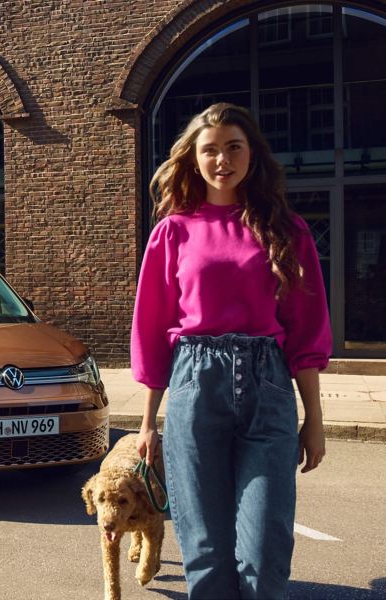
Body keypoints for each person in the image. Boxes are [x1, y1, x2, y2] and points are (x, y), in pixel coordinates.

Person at [132, 103, 331, 599]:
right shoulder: (173, 231)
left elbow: (306, 329)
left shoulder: (287, 230)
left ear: (252, 154)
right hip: (194, 384)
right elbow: (152, 327)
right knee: (205, 549)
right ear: (194, 159)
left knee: (265, 552)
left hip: (268, 385)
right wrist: (147, 423)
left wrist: (315, 418)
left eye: (234, 147)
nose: (222, 159)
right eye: (210, 150)